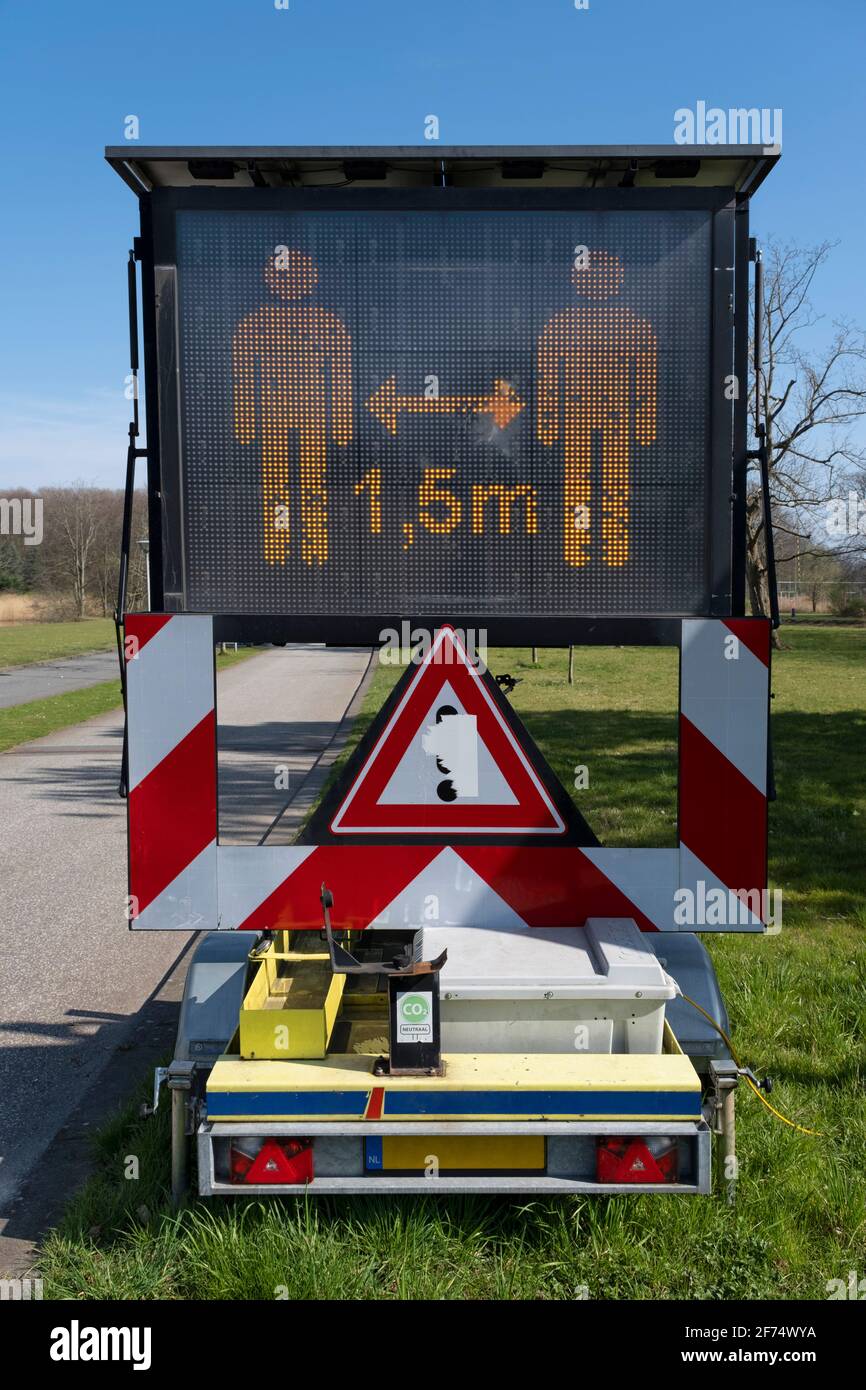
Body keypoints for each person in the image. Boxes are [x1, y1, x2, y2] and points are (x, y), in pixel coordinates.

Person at [536, 248, 657, 568]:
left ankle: (615, 548)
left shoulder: (634, 325)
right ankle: (576, 547)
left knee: (616, 485)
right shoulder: (560, 324)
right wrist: (547, 425)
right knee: (576, 486)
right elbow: (547, 380)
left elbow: (646, 378)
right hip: (576, 417)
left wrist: (645, 424)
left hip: (617, 418)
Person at [232, 249, 353, 566]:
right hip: (274, 422)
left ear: (311, 277)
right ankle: (277, 551)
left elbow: (341, 376)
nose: (291, 280)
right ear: (269, 278)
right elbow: (244, 376)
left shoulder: (327, 324)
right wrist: (245, 425)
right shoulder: (254, 324)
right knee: (276, 490)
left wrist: (341, 425)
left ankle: (315, 548)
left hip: (313, 421)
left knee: (313, 488)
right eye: (283, 272)